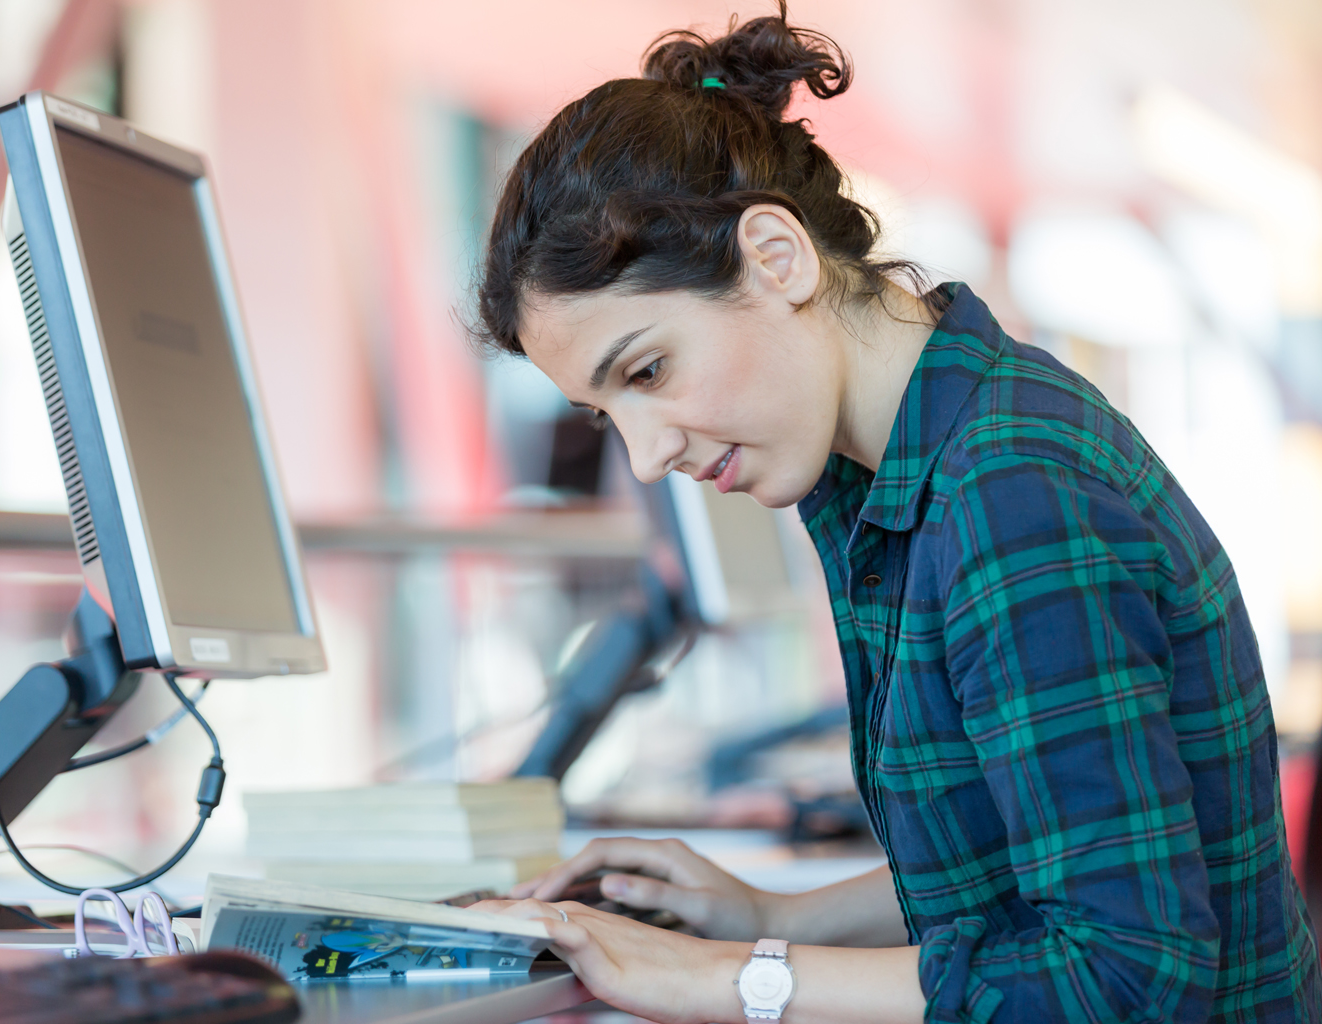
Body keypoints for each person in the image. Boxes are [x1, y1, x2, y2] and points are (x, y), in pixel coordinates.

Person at [467, 5, 1322, 1023]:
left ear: (778, 257)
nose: (650, 454)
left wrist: (725, 979)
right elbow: (1022, 861)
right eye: (610, 415)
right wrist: (771, 915)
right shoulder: (905, 467)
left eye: (649, 369)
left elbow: (1125, 977)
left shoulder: (1010, 491)